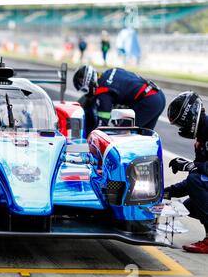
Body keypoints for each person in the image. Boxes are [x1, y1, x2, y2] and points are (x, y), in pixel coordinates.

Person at [164, 91, 208, 253]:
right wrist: (169, 192)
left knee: (196, 179)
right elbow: (200, 177)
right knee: (190, 206)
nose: (181, 129)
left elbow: (198, 176)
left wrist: (190, 166)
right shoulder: (202, 138)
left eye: (181, 124)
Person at [73, 65, 165, 134]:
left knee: (121, 134)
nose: (87, 94)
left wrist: (90, 136)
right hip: (158, 95)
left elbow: (102, 125)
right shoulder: (110, 71)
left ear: (89, 83)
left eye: (85, 90)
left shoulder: (103, 91)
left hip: (148, 101)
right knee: (145, 136)